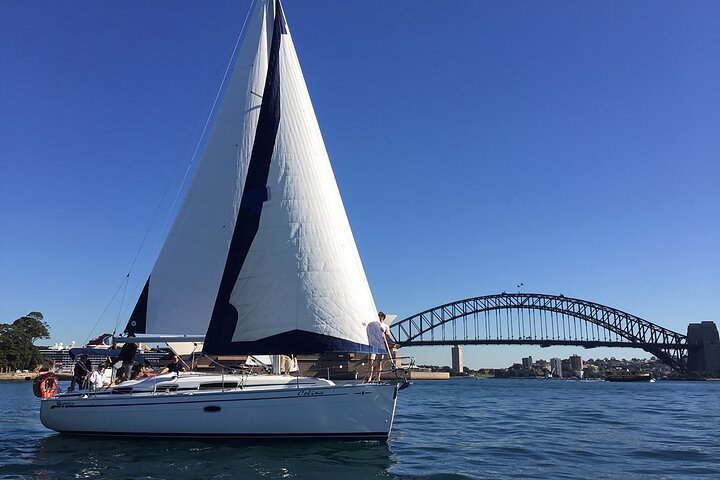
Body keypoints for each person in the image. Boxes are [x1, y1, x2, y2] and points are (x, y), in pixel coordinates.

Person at [366, 312, 390, 383]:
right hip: (372, 344)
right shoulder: (373, 324)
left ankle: (378, 378)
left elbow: (389, 336)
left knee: (379, 362)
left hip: (380, 345)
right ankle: (369, 378)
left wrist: (385, 332)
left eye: (379, 316)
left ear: (382, 317)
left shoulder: (385, 326)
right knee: (371, 361)